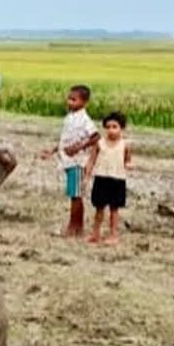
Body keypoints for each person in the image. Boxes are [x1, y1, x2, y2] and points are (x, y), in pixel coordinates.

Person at [40, 85, 101, 237]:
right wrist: (53, 151)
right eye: (69, 99)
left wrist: (78, 147)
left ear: (84, 102)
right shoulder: (70, 117)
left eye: (74, 100)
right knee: (73, 194)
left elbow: (96, 137)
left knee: (76, 195)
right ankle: (75, 226)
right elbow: (65, 139)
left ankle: (75, 226)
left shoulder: (84, 119)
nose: (70, 102)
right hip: (68, 161)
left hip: (77, 162)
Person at [85, 111, 132, 245]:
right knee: (99, 208)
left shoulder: (125, 145)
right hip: (101, 178)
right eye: (108, 127)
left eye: (114, 127)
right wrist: (87, 177)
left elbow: (128, 160)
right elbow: (91, 160)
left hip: (117, 179)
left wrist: (128, 165)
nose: (111, 130)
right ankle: (95, 233)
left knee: (114, 209)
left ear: (121, 128)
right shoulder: (100, 143)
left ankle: (113, 234)